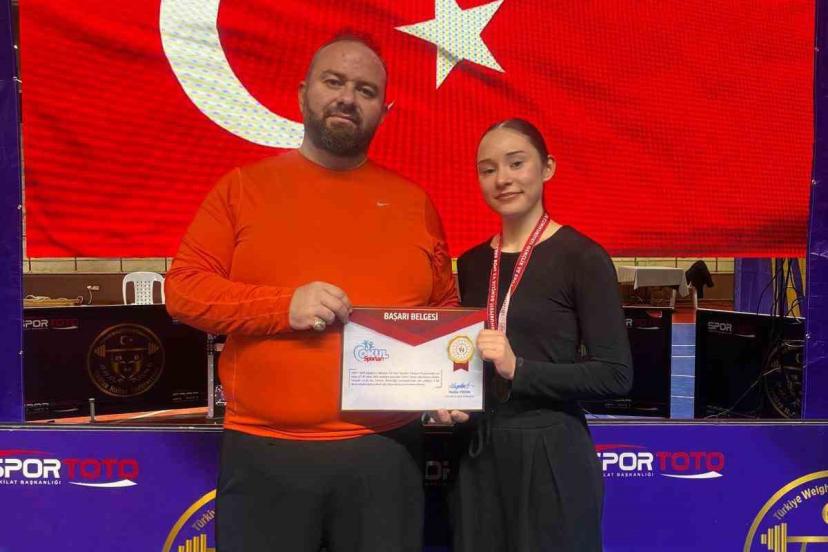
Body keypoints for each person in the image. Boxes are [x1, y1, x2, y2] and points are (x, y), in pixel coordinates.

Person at [165, 34, 457, 552]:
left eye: (366, 90)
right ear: (303, 94)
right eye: (334, 82)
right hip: (267, 451)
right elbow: (183, 292)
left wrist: (447, 385)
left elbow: (443, 310)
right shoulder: (242, 189)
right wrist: (283, 306)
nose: (347, 98)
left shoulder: (415, 203)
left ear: (384, 111)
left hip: (386, 456)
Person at [434, 118, 633, 551]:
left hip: (552, 450)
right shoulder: (471, 264)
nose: (502, 179)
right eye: (488, 169)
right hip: (480, 451)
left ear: (547, 168)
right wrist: (452, 398)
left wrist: (519, 369)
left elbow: (615, 374)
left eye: (516, 163)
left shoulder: (582, 257)